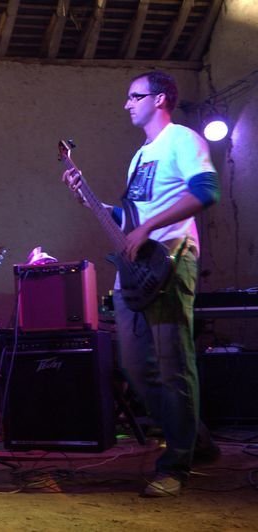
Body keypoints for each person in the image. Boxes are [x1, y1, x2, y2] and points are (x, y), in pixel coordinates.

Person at [62, 71, 220, 497]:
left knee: (174, 367)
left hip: (171, 259)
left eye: (135, 96)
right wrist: (88, 198)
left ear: (161, 98)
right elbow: (129, 221)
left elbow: (207, 191)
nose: (127, 104)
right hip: (135, 269)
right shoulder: (139, 157)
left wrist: (149, 227)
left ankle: (176, 466)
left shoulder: (183, 140)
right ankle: (196, 443)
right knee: (135, 367)